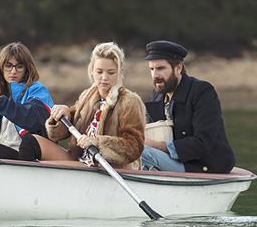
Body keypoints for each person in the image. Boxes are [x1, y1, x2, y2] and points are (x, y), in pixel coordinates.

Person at [19, 41, 145, 170]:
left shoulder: (129, 101)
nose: (104, 77)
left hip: (108, 167)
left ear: (120, 72)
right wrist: (65, 113)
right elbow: (61, 132)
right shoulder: (88, 96)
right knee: (31, 142)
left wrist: (97, 142)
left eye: (111, 72)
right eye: (99, 72)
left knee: (41, 166)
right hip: (78, 159)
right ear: (92, 70)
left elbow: (134, 146)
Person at [141, 40, 236, 174]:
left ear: (178, 68)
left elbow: (203, 141)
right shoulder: (158, 95)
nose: (155, 75)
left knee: (139, 151)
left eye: (161, 68)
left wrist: (156, 146)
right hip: (173, 160)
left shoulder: (202, 91)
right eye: (152, 69)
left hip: (203, 166)